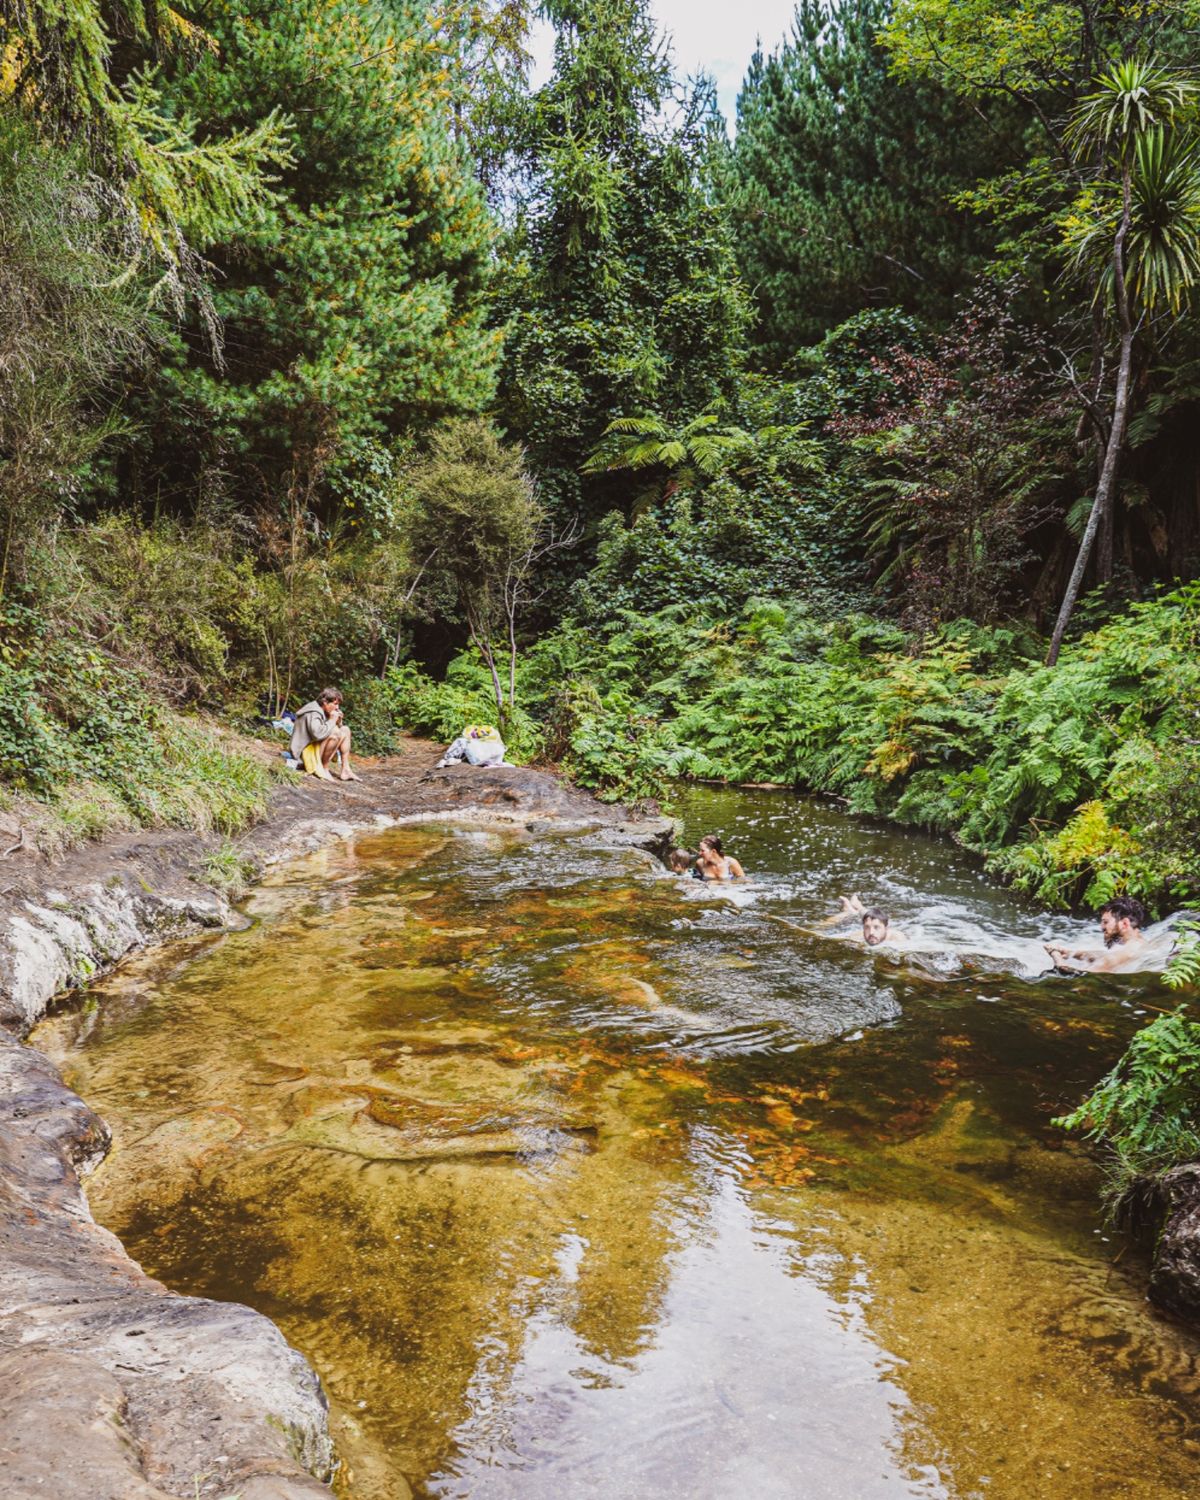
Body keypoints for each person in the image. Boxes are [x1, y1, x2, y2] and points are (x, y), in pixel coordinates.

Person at [1045, 895, 1149, 974]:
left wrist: (1055, 954)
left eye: (1106, 922)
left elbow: (1077, 977)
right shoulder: (1137, 944)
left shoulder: (1128, 951)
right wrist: (1071, 953)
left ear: (1125, 923)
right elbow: (1105, 956)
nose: (1102, 927)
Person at [290, 687, 359, 782]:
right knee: (335, 733)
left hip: (314, 748)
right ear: (325, 702)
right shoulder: (313, 712)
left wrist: (338, 722)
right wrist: (332, 720)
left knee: (345, 730)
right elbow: (317, 735)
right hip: (303, 755)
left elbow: (328, 729)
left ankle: (346, 769)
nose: (337, 708)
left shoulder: (324, 710)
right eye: (335, 704)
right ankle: (324, 768)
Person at [826, 893, 908, 948]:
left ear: (886, 929)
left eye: (876, 928)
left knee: (873, 918)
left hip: (892, 928)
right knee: (869, 918)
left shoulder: (898, 939)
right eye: (867, 927)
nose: (871, 932)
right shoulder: (857, 936)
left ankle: (858, 906)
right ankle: (850, 910)